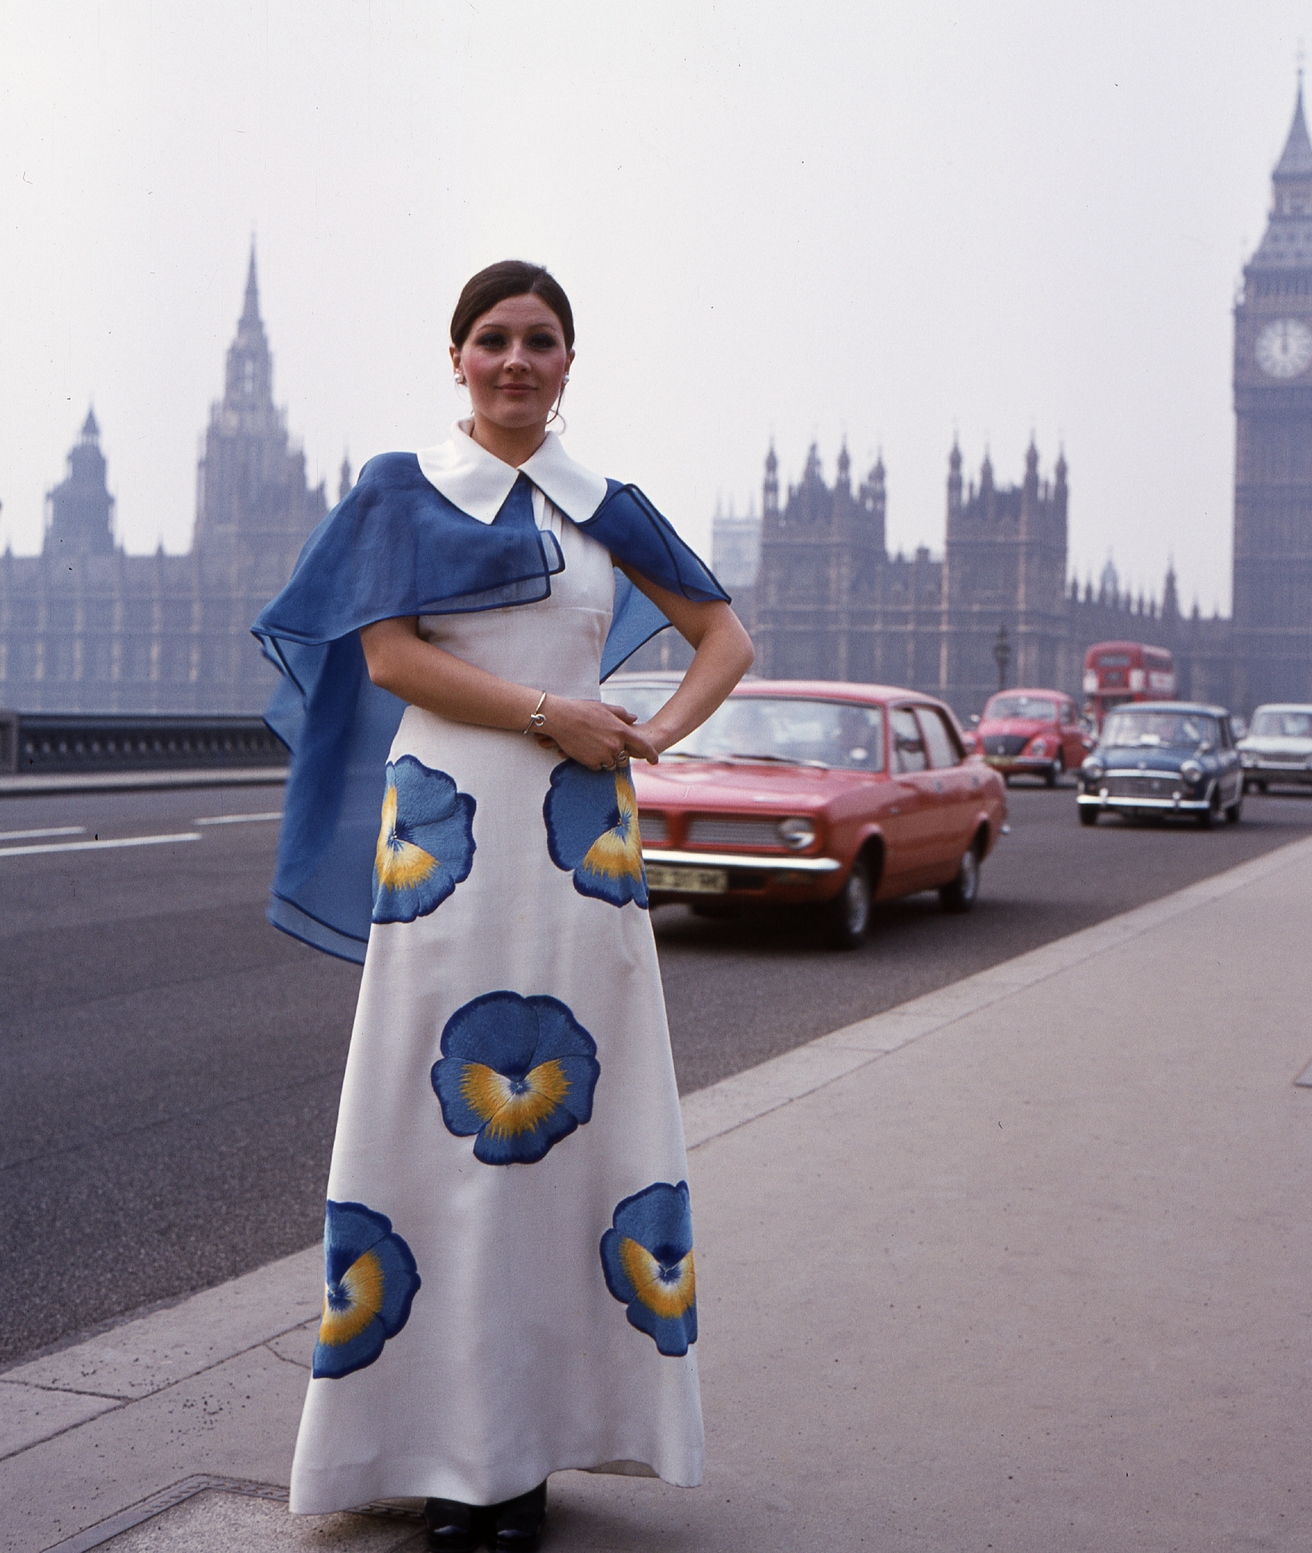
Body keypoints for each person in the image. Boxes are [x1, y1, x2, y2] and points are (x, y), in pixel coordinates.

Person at [253, 261, 752, 1551]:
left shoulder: (604, 506)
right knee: (436, 1136)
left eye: (541, 341)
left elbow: (725, 640)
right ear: (458, 358)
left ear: (570, 362)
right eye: (492, 340)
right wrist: (554, 715)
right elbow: (388, 655)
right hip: (448, 837)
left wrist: (644, 739)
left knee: (568, 1141)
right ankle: (432, 1448)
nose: (516, 360)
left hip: (581, 843)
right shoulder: (401, 490)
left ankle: (519, 1453)